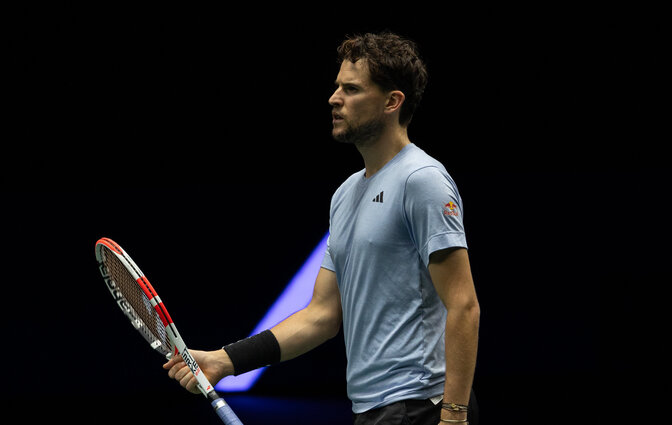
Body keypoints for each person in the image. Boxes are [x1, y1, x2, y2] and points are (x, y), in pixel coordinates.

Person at [164, 32, 480, 425]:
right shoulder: (345, 194)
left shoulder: (422, 179)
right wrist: (225, 360)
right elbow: (322, 314)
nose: (334, 99)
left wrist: (454, 416)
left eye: (350, 89)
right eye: (336, 87)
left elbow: (464, 305)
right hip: (371, 409)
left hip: (420, 404)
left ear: (391, 102)